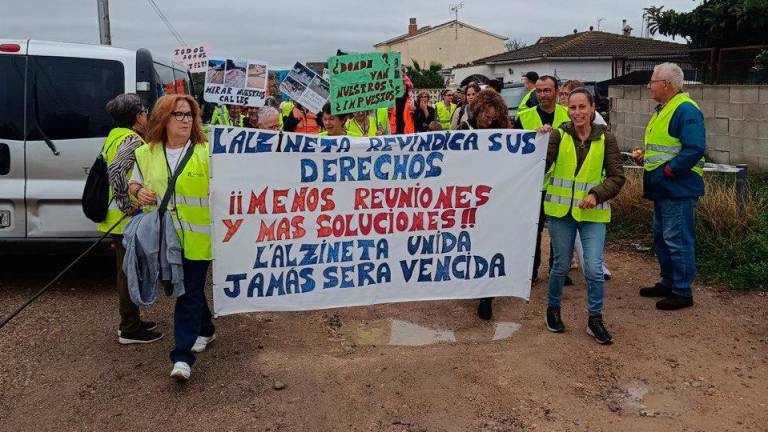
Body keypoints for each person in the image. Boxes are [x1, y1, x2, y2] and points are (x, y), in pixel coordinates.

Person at [127, 94, 214, 382]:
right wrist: (139, 192)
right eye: (180, 115)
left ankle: (181, 358)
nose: (186, 120)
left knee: (186, 292)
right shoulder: (146, 153)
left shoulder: (206, 151)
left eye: (190, 115)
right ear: (165, 118)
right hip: (165, 237)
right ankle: (207, 329)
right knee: (191, 289)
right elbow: (133, 182)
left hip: (199, 238)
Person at [543, 88, 625, 344]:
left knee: (593, 268)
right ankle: (553, 311)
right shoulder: (558, 135)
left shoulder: (606, 139)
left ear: (592, 109)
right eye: (572, 107)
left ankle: (595, 319)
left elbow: (617, 177)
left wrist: (596, 194)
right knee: (560, 266)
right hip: (561, 212)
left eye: (582, 107)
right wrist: (538, 142)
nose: (577, 112)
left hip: (592, 214)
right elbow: (540, 165)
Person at [634, 63, 706, 311]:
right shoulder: (664, 109)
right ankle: (668, 282)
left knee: (677, 239)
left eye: (652, 82)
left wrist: (668, 170)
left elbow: (694, 148)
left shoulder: (685, 109)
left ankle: (682, 291)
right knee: (662, 237)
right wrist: (646, 158)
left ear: (666, 84)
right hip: (664, 188)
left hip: (678, 187)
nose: (649, 86)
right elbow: (665, 148)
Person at [102, 94, 160, 344]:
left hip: (116, 215)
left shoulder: (114, 136)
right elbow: (115, 170)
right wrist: (127, 204)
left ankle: (131, 320)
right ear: (137, 116)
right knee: (128, 273)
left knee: (125, 271)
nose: (147, 116)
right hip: (124, 218)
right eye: (145, 112)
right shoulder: (132, 140)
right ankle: (129, 328)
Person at [514, 76, 571, 284]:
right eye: (539, 91)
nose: (542, 95)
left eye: (547, 90)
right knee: (533, 229)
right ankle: (531, 270)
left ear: (556, 92)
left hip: (560, 182)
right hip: (534, 184)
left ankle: (558, 271)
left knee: (559, 230)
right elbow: (516, 150)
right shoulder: (524, 117)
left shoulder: (568, 115)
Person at [467, 89, 512, 320]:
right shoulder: (463, 132)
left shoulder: (506, 135)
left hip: (494, 199)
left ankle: (487, 295)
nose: (487, 118)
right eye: (484, 113)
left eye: (492, 116)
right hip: (466, 201)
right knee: (471, 244)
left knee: (491, 244)